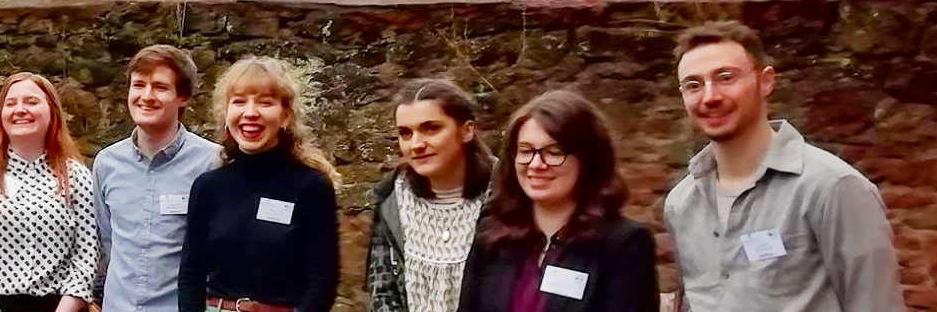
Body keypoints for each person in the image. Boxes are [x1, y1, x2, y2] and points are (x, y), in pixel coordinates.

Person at [663, 21, 905, 312]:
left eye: (726, 78)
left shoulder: (832, 187)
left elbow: (876, 305)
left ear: (765, 81)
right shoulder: (681, 203)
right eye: (694, 85)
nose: (710, 96)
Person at [457, 90, 658, 312]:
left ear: (588, 159)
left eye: (554, 152)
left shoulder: (623, 243)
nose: (536, 164)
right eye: (525, 151)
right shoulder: (492, 236)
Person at [176, 56, 340, 312]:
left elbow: (321, 283)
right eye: (239, 102)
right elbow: (190, 275)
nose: (250, 113)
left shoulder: (312, 186)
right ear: (226, 113)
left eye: (265, 102)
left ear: (285, 115)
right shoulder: (208, 186)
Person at [0, 72, 100, 312]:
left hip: (60, 306)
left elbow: (87, 252)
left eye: (31, 102)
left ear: (52, 112)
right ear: (1, 114)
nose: (20, 109)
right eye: (11, 103)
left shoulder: (76, 176)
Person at [91, 46, 220, 312]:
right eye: (139, 85)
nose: (146, 96)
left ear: (182, 97)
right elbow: (107, 242)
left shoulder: (212, 163)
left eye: (160, 87)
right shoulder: (106, 163)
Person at [365, 78, 495, 312]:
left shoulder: (507, 197)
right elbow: (383, 293)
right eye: (405, 133)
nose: (416, 144)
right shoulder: (391, 200)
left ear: (466, 131)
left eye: (431, 128)